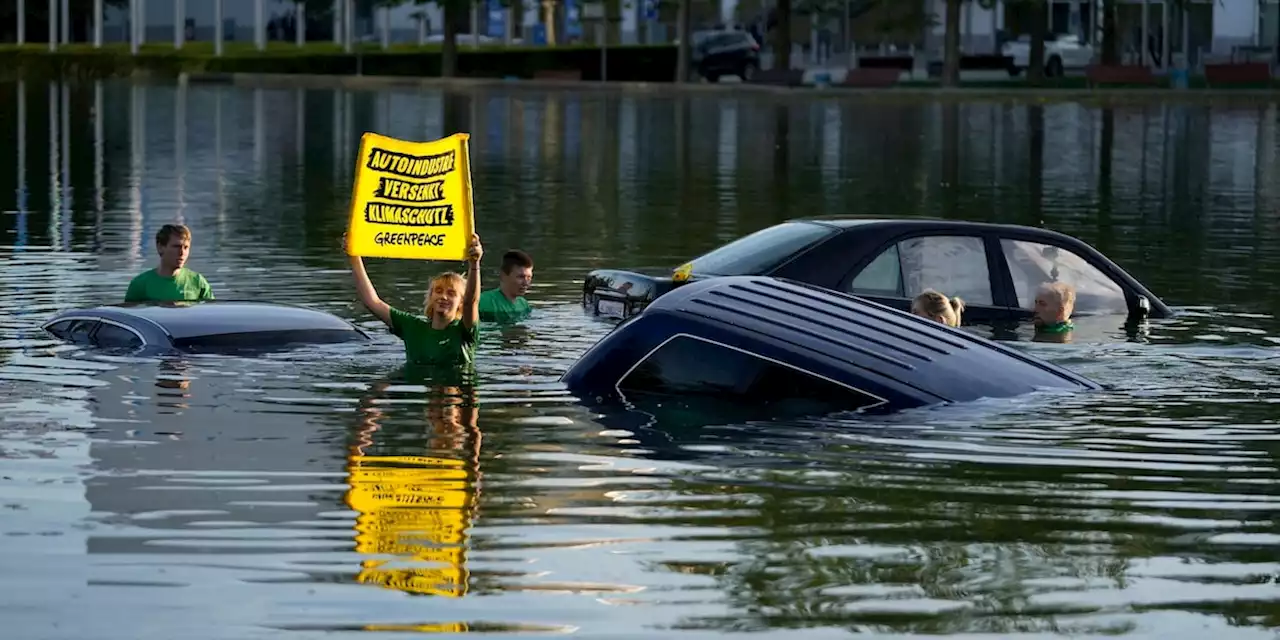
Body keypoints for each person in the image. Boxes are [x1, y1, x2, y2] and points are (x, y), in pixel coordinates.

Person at [346, 233, 484, 368]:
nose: (443, 297)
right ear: (431, 297)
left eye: (451, 293)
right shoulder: (412, 327)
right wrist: (354, 256)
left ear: (460, 302)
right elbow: (372, 302)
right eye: (438, 291)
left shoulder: (465, 331)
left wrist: (474, 264)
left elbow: (471, 302)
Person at [124, 224, 215, 303]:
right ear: (160, 247)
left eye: (186, 247)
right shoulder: (140, 285)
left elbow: (211, 316)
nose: (182, 253)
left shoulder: (198, 282)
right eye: (176, 246)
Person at [477, 249, 533, 323]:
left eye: (529, 277)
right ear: (503, 275)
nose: (526, 283)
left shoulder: (524, 305)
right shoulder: (483, 302)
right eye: (520, 277)